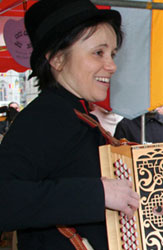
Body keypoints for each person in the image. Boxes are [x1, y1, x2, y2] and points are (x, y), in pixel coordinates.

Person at [0, 0, 141, 249]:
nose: (111, 66)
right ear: (57, 59)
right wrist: (98, 194)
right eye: (99, 52)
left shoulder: (76, 114)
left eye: (113, 54)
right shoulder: (44, 117)